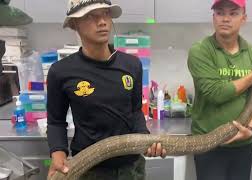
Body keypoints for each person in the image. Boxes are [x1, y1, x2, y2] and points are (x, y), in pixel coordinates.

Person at [46, 0, 166, 179]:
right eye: (91, 16)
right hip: (89, 169)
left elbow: (134, 112)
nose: (102, 21)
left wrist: (145, 140)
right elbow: (56, 122)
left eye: (106, 14)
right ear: (74, 24)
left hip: (131, 168)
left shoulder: (131, 64)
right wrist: (58, 153)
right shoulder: (61, 71)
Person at [187, 0, 252, 180]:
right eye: (220, 12)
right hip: (208, 146)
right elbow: (216, 93)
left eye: (233, 13)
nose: (225, 18)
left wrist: (250, 129)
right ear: (213, 17)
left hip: (243, 146)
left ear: (243, 18)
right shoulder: (200, 51)